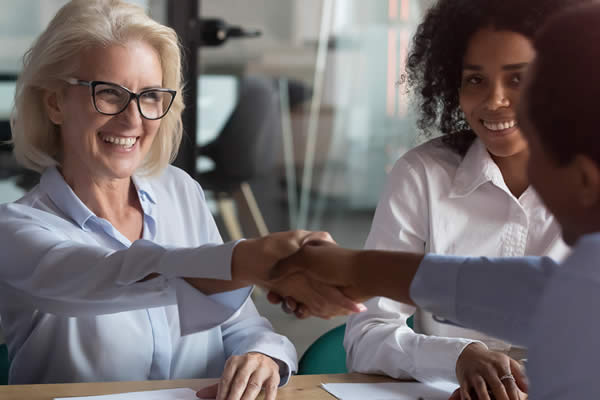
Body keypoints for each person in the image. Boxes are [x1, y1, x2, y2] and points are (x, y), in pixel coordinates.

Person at [0, 1, 364, 398]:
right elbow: (107, 275)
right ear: (54, 102)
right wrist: (247, 260)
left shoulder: (180, 190)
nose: (133, 119)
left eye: (151, 96)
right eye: (108, 94)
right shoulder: (15, 231)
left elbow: (242, 326)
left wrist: (262, 358)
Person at [271, 3, 600, 398]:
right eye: (475, 79)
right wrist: (349, 269)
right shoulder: (422, 174)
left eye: (519, 80)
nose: (496, 100)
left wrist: (350, 268)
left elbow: (529, 294)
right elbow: (500, 289)